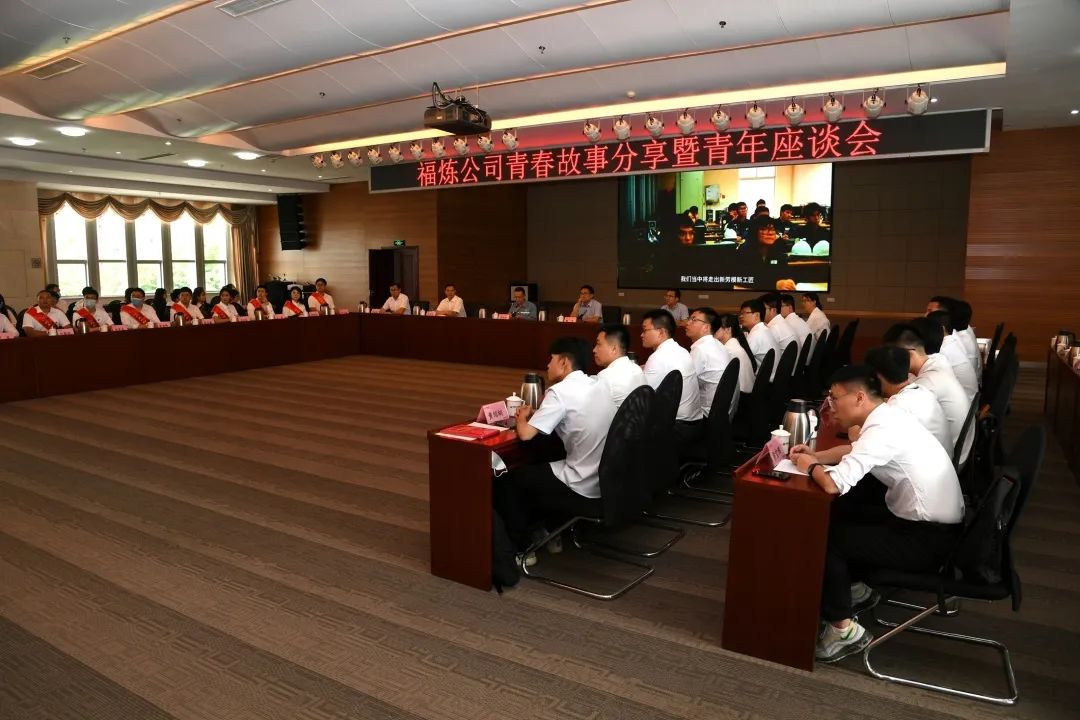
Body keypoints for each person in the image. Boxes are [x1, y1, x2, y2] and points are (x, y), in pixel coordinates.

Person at [788, 365, 963, 663]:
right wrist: (816, 455)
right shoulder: (887, 416)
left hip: (928, 539)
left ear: (859, 397)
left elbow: (832, 485)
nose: (830, 406)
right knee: (844, 513)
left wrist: (811, 466)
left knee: (827, 538)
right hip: (932, 523)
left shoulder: (882, 429)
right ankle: (855, 589)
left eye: (834, 398)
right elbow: (855, 450)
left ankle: (842, 630)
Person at [493, 337, 617, 559]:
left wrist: (522, 416)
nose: (547, 365)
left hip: (581, 482)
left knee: (507, 480)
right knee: (540, 465)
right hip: (607, 478)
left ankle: (523, 548)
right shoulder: (599, 383)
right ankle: (549, 531)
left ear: (564, 362)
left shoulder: (560, 392)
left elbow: (525, 434)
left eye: (551, 359)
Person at [884, 320, 972, 464]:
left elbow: (892, 420)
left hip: (949, 460)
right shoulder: (937, 362)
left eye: (893, 356)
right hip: (954, 450)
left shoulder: (928, 383)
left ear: (910, 353)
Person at [865, 346, 952, 454]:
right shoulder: (921, 390)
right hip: (942, 457)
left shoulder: (897, 406)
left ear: (877, 378)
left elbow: (872, 447)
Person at [641, 309, 703, 451]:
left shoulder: (658, 357)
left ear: (661, 332)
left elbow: (643, 398)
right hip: (693, 424)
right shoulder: (680, 350)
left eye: (645, 330)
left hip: (678, 429)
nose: (641, 334)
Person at [685, 307, 731, 419]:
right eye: (689, 319)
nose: (687, 323)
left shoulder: (701, 349)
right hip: (723, 411)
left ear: (706, 327)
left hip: (707, 414)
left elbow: (685, 383)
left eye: (693, 320)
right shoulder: (718, 344)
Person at [927, 310, 979, 401]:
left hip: (966, 401)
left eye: (929, 328)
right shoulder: (952, 341)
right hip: (969, 399)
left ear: (942, 329)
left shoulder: (943, 350)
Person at [593, 323, 646, 408]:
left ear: (613, 349)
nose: (594, 350)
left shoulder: (605, 377)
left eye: (598, 344)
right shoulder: (637, 369)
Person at [715, 314, 754, 416]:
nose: (713, 330)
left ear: (728, 330)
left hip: (742, 400)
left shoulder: (729, 350)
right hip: (746, 396)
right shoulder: (733, 345)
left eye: (717, 327)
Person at [739, 298, 779, 379]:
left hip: (765, 382)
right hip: (773, 378)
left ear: (757, 315)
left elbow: (742, 359)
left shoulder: (756, 334)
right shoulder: (763, 329)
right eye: (740, 313)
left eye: (745, 313)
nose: (741, 316)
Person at [761, 293, 797, 358]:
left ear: (773, 310)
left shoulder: (774, 327)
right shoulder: (781, 321)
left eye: (763, 309)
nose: (760, 312)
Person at [780, 293, 814, 363]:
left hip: (802, 362)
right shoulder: (797, 319)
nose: (778, 309)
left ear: (790, 307)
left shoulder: (788, 323)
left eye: (781, 306)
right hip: (808, 359)